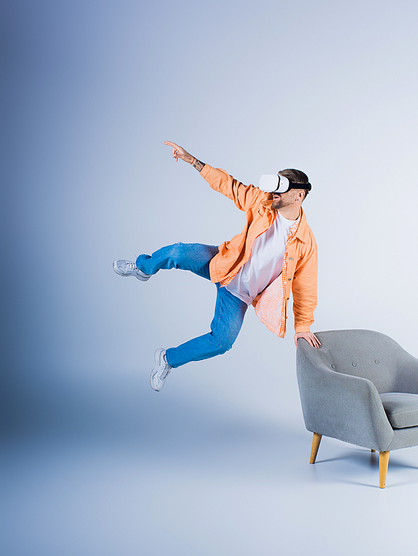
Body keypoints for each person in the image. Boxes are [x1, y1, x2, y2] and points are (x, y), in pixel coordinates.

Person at [113, 141, 321, 391]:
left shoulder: (305, 242)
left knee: (222, 342)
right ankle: (143, 268)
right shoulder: (261, 201)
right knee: (178, 252)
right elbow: (229, 186)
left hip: (239, 295)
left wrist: (303, 327)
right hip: (223, 263)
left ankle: (167, 359)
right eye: (274, 188)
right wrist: (193, 161)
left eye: (281, 190)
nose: (274, 194)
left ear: (299, 195)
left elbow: (305, 287)